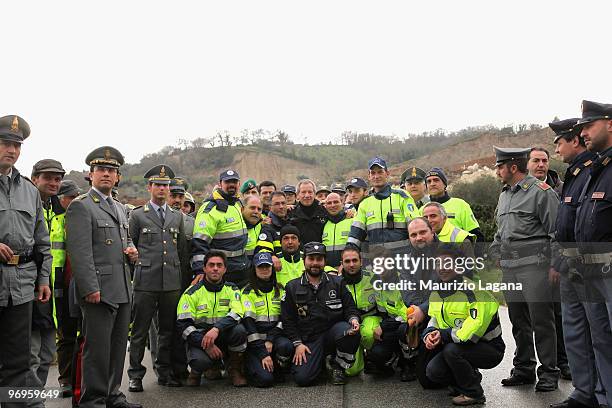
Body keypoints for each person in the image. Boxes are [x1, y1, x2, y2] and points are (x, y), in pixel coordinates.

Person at [65, 146, 140, 408]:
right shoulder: (81, 206)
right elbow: (79, 252)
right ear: (91, 174)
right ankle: (93, 401)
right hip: (98, 291)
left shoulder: (119, 208)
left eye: (111, 170)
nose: (106, 174)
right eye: (101, 170)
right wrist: (89, 289)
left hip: (121, 287)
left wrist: (133, 252)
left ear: (117, 177)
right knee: (97, 352)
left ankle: (113, 395)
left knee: (118, 348)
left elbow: (126, 241)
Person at [549, 117, 609, 408]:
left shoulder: (591, 171)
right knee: (575, 333)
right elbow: (568, 223)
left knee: (599, 335)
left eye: (559, 142)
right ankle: (584, 392)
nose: (556, 149)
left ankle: (601, 394)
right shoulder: (577, 173)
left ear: (574, 141)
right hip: (571, 264)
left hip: (595, 266)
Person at [489, 146, 560, 392]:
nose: (497, 170)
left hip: (535, 267)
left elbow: (556, 233)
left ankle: (549, 372)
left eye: (500, 166)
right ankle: (524, 368)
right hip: (510, 267)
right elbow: (501, 232)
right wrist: (496, 252)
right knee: (518, 320)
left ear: (513, 167)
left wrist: (555, 265)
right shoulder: (504, 194)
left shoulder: (542, 193)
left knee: (542, 321)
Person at [0, 115, 52, 408]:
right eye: (6, 143)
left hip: (20, 288)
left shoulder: (29, 191)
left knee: (19, 364)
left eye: (17, 145)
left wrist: (43, 280)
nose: (13, 150)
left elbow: (42, 242)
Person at [127, 165, 187, 392]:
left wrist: (180, 280)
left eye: (166, 185)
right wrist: (133, 278)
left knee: (167, 331)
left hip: (171, 281)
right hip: (145, 281)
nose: (162, 189)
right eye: (158, 185)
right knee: (140, 331)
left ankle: (164, 372)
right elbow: (130, 247)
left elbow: (181, 250)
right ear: (150, 187)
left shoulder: (177, 216)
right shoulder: (138, 215)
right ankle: (135, 375)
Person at [423, 245, 505, 406]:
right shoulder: (437, 291)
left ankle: (474, 393)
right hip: (461, 346)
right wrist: (429, 333)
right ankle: (465, 380)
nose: (442, 268)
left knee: (451, 351)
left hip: (490, 348)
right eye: (438, 264)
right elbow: (434, 319)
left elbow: (470, 332)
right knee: (433, 372)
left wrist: (443, 335)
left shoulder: (475, 292)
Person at [574, 100, 612, 408]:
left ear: (610, 123)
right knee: (601, 342)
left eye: (589, 126)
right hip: (592, 270)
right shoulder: (596, 170)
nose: (583, 133)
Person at [281, 242, 361, 386]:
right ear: (304, 260)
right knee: (303, 379)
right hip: (309, 339)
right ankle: (321, 364)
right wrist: (297, 343)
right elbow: (288, 320)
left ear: (325, 261)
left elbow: (350, 308)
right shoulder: (292, 287)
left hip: (333, 333)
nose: (315, 263)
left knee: (350, 332)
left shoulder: (338, 282)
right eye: (311, 259)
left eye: (319, 259)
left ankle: (338, 366)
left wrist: (353, 320)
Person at [176, 250, 247, 387]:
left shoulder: (232, 289)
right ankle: (197, 371)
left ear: (225, 269)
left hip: (222, 334)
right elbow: (183, 325)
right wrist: (207, 344)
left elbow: (237, 313)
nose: (215, 268)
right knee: (200, 361)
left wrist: (216, 328)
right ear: (204, 268)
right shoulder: (191, 293)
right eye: (211, 265)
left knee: (239, 330)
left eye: (219, 265)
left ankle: (235, 370)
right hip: (199, 339)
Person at [28, 159, 66, 407]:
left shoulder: (62, 211)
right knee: (28, 356)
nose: (53, 183)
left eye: (57, 178)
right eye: (47, 178)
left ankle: (36, 399)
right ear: (35, 179)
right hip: (27, 289)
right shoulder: (25, 203)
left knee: (45, 356)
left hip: (54, 293)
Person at [347, 157, 418, 262]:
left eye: (380, 172)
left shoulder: (402, 196)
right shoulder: (365, 204)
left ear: (387, 173)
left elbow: (416, 227)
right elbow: (355, 234)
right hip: (377, 264)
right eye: (373, 173)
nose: (376, 176)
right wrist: (348, 255)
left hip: (403, 262)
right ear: (369, 176)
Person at [241, 252, 293, 387]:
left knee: (286, 346)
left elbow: (285, 318)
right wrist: (262, 352)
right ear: (254, 269)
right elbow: (249, 325)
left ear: (272, 268)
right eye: (260, 267)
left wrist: (270, 339)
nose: (264, 269)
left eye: (267, 266)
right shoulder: (247, 292)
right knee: (265, 381)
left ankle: (279, 367)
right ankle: (250, 366)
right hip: (255, 343)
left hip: (275, 339)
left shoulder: (281, 290)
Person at [192, 169, 249, 287]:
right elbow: (199, 242)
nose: (231, 185)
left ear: (239, 184)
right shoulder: (210, 208)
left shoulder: (237, 203)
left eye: (234, 181)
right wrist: (200, 270)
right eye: (227, 182)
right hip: (223, 272)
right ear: (220, 184)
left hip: (241, 268)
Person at [53, 179, 82, 398]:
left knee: (85, 334)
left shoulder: (82, 217)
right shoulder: (53, 219)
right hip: (60, 284)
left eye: (76, 197)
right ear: (60, 198)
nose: (74, 201)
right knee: (66, 333)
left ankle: (80, 378)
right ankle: (64, 379)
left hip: (81, 283)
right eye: (70, 197)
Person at [340, 248, 381, 377]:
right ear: (342, 263)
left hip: (371, 317)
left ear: (361, 261)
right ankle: (358, 356)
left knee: (368, 333)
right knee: (351, 371)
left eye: (354, 260)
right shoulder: (336, 282)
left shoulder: (373, 277)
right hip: (349, 322)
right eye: (347, 261)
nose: (351, 264)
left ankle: (370, 355)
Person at [425, 168, 485, 247]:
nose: (432, 184)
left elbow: (476, 235)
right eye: (429, 181)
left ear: (444, 184)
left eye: (436, 180)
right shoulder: (422, 210)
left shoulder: (460, 205)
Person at [287, 179, 328, 247]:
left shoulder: (324, 211)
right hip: (300, 254)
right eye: (303, 192)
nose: (307, 195)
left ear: (314, 194)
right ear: (297, 195)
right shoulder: (291, 213)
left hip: (321, 253)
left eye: (310, 192)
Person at [322, 192, 353, 268]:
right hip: (328, 271)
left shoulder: (352, 220)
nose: (333, 205)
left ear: (342, 204)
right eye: (329, 203)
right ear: (325, 206)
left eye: (336, 202)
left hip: (348, 269)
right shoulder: (323, 224)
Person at [261, 191, 290, 256]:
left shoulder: (292, 222)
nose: (281, 206)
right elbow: (264, 250)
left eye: (283, 203)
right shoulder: (267, 226)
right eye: (277, 204)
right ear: (270, 207)